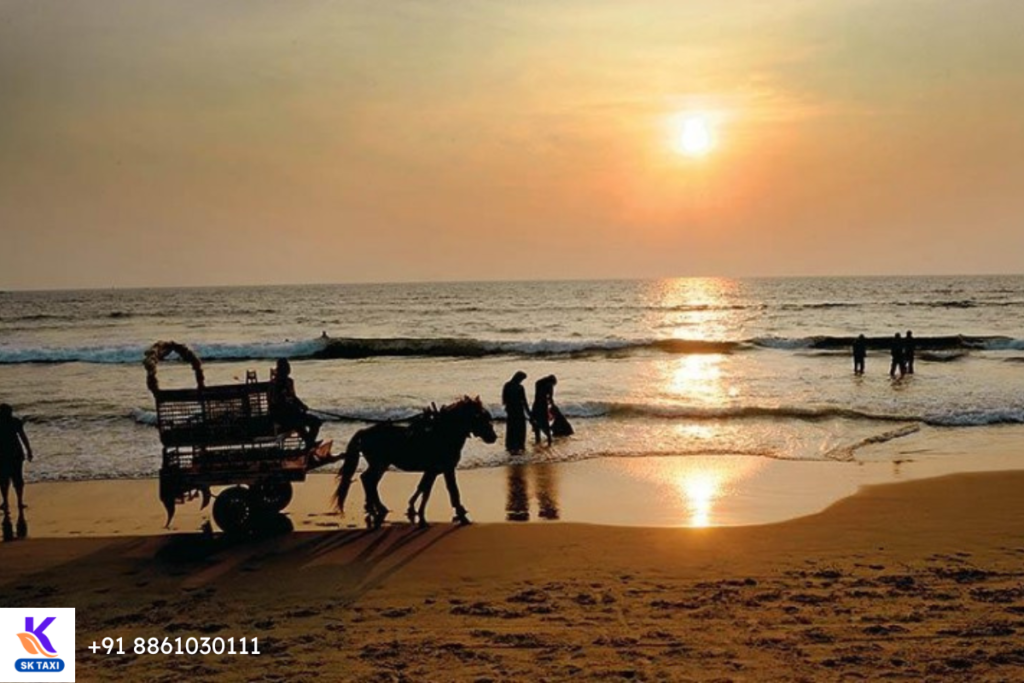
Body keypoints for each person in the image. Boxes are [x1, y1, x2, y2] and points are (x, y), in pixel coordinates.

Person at [269, 359, 322, 448]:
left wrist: (302, 405)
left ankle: (309, 443)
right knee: (306, 422)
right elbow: (275, 401)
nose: (288, 369)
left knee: (315, 422)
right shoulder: (275, 384)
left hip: (292, 413)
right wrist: (294, 408)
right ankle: (309, 443)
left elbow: (293, 397)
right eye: (286, 368)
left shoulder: (289, 381)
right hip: (280, 415)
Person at [0, 404, 33, 514]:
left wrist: (28, 450)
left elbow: (23, 436)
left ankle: (6, 502)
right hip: (15, 453)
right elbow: (23, 437)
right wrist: (28, 450)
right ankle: (18, 502)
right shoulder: (15, 422)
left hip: (4, 454)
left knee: (4, 480)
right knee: (17, 478)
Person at [501, 371, 531, 454]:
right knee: (520, 428)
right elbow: (524, 401)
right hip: (518, 409)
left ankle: (510, 445)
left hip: (511, 409)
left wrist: (507, 408)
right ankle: (520, 445)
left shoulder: (507, 385)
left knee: (511, 427)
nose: (521, 381)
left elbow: (504, 398)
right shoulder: (520, 387)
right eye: (522, 379)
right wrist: (528, 412)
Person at [531, 375, 557, 446]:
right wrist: (553, 406)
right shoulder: (549, 385)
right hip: (542, 406)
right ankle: (549, 441)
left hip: (536, 405)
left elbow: (538, 395)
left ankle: (537, 441)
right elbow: (550, 397)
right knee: (544, 423)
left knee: (536, 423)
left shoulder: (538, 383)